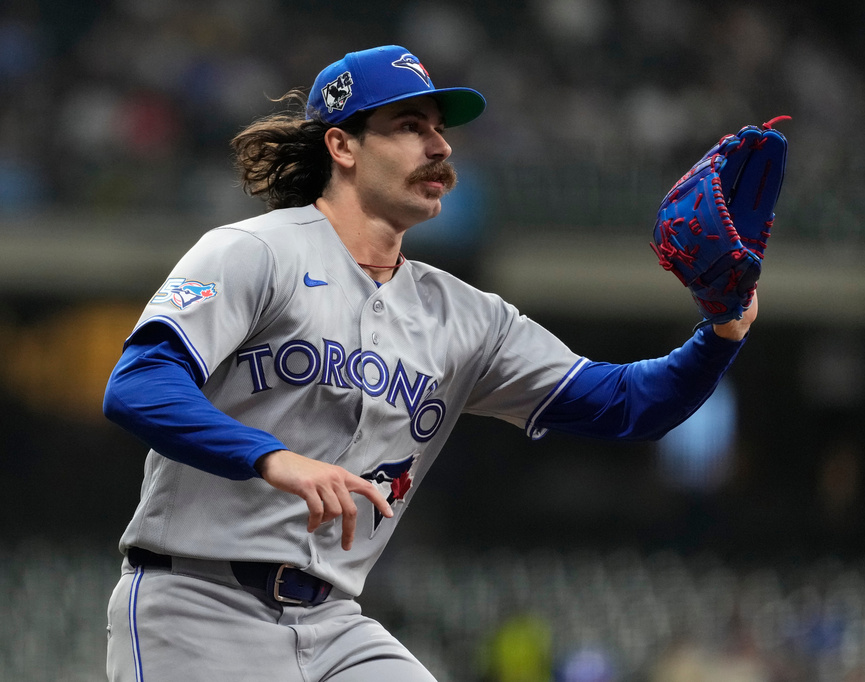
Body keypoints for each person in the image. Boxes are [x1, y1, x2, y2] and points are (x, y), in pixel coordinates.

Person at [102, 44, 757, 682]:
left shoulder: (467, 318)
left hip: (332, 623)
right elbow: (138, 384)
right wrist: (271, 456)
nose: (439, 147)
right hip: (193, 601)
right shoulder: (253, 253)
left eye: (440, 130)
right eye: (410, 127)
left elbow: (626, 406)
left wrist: (720, 334)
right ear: (343, 146)